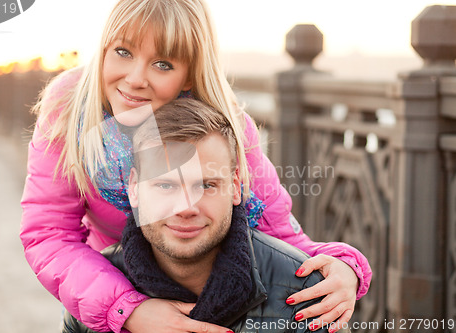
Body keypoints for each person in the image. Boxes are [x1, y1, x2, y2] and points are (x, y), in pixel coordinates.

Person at [20, 1, 371, 332]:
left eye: (163, 64)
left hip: (208, 289)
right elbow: (49, 232)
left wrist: (344, 267)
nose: (136, 78)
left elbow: (278, 228)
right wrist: (128, 309)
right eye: (123, 52)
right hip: (112, 283)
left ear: (189, 76)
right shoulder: (69, 111)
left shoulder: (223, 126)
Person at [63, 99, 332, 333]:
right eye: (165, 185)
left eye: (206, 185)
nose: (186, 207)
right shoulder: (94, 296)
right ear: (134, 189)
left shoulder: (304, 292)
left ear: (236, 187)